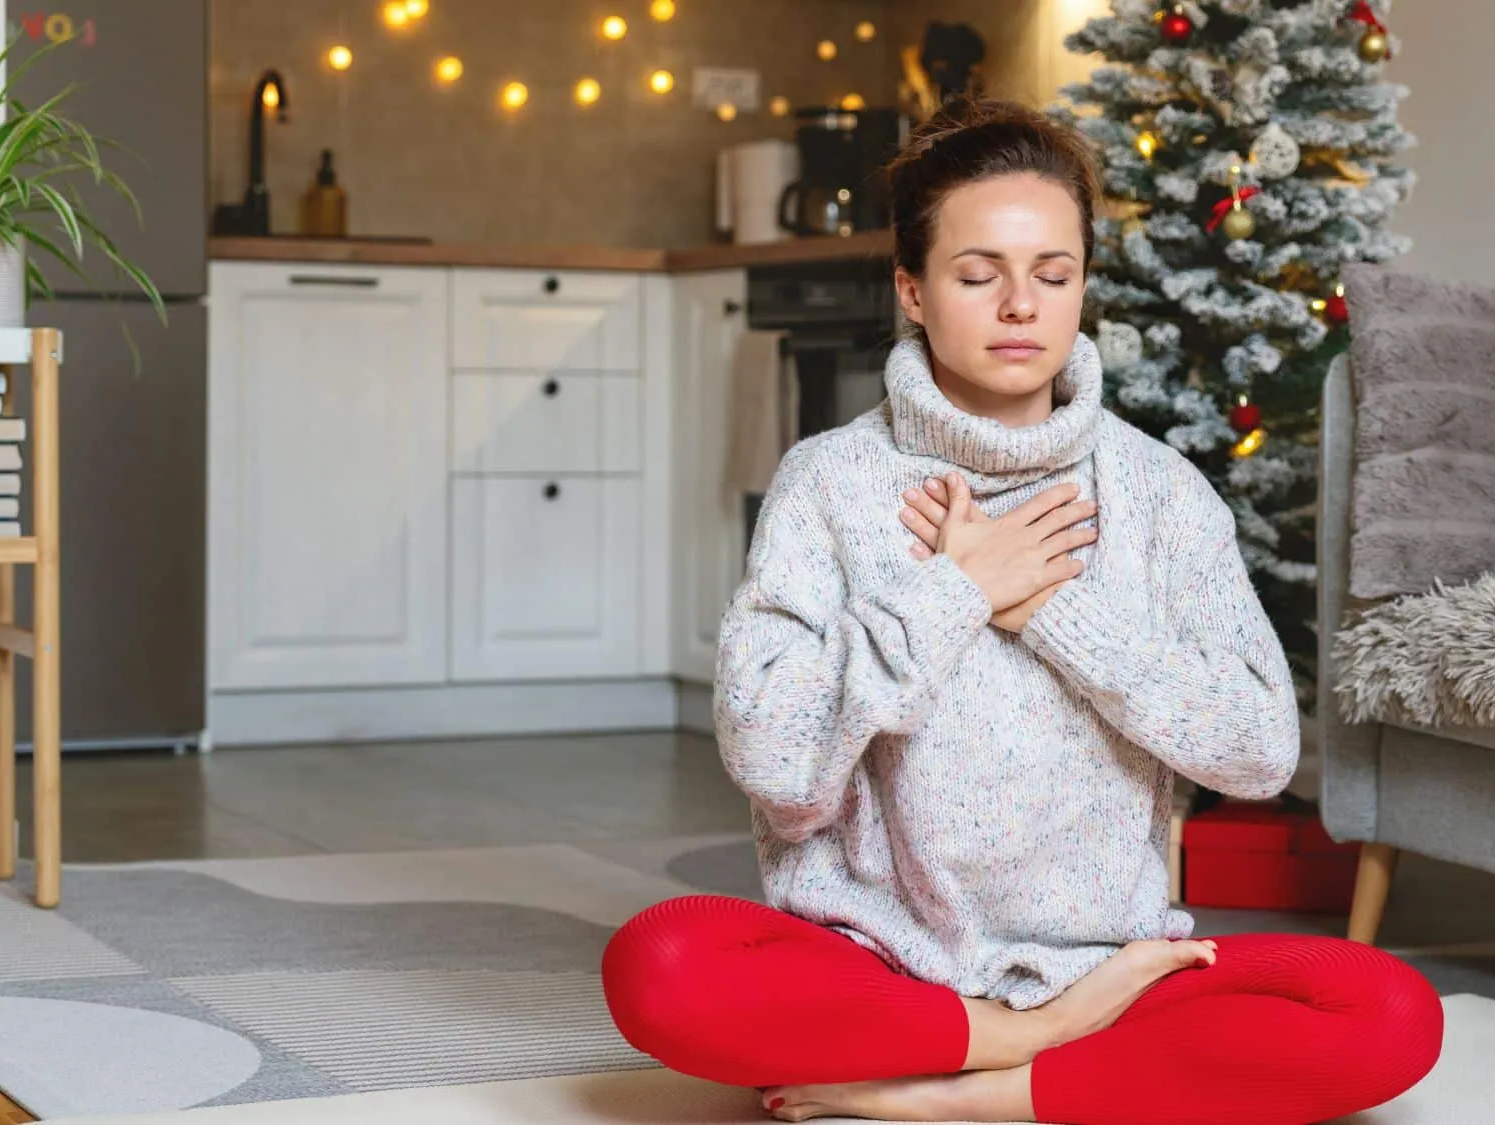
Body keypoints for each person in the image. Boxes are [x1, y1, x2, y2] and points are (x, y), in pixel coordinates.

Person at [601, 99, 1443, 1124]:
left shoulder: (1160, 491)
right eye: (976, 274)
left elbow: (1260, 752)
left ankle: (964, 1093)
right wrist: (954, 593)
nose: (1020, 307)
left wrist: (1048, 607)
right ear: (912, 289)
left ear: (1083, 284)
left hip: (1110, 970)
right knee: (665, 964)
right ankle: (1023, 1050)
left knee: (1388, 1012)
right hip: (878, 963)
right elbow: (778, 768)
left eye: (1053, 274)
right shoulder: (828, 483)